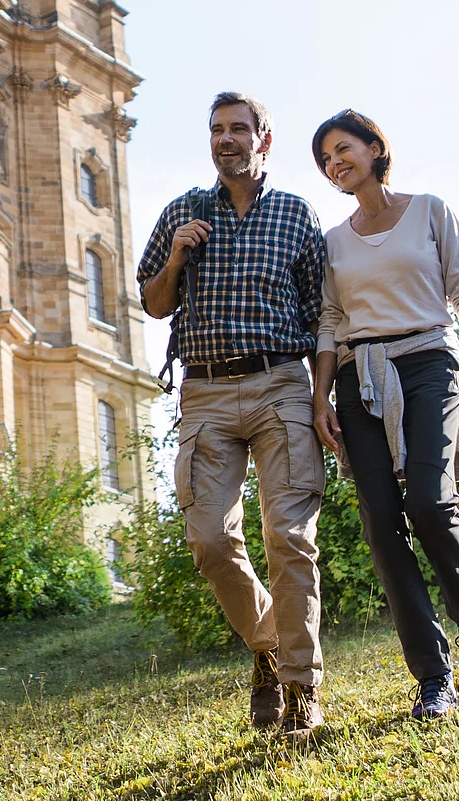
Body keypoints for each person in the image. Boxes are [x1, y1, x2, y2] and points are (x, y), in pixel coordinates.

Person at [307, 109, 459, 719]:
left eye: (343, 149)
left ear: (375, 148)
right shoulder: (334, 242)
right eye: (325, 160)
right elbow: (329, 322)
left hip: (428, 362)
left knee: (428, 497)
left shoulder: (429, 210)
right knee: (381, 524)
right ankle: (433, 677)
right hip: (357, 377)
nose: (335, 164)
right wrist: (320, 397)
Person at [137, 92, 330, 737]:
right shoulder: (182, 214)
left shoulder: (296, 217)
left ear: (263, 140)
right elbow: (155, 304)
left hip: (281, 384)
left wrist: (322, 397)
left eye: (240, 129)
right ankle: (269, 645)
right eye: (217, 130)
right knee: (210, 540)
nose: (227, 139)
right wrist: (175, 260)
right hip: (206, 392)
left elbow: (321, 318)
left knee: (288, 539)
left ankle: (301, 690)